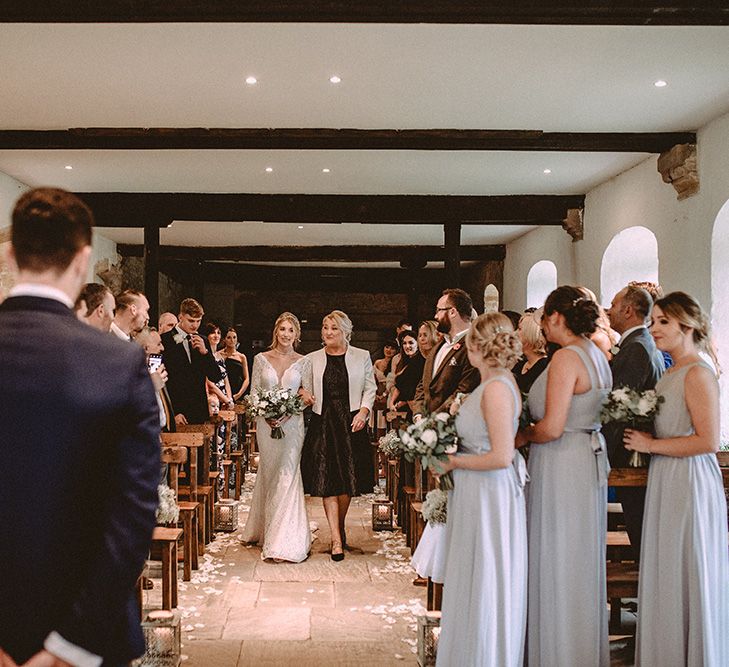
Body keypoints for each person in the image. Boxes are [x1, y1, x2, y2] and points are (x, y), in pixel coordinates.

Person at [0, 188, 160, 667]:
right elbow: (133, 515)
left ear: (10, 255)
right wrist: (66, 646)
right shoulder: (119, 362)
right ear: (82, 260)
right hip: (88, 637)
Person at [624, 292, 728, 666]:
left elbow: (706, 440)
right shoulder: (671, 370)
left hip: (689, 482)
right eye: (653, 321)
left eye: (662, 322)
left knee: (686, 567)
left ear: (688, 326)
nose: (653, 328)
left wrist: (651, 444)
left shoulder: (698, 372)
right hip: (667, 477)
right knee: (666, 570)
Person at [518, 285, 612, 667]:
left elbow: (552, 427)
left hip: (560, 460)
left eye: (543, 318)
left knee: (556, 552)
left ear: (557, 318)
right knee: (578, 555)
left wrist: (519, 434)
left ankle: (557, 651)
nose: (541, 326)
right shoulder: (599, 355)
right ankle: (579, 646)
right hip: (585, 459)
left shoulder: (566, 359)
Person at [434, 313, 527, 666]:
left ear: (476, 347)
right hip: (477, 492)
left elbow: (502, 456)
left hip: (490, 494)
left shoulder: (499, 388)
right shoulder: (491, 385)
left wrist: (455, 462)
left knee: (486, 577)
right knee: (473, 575)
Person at [301, 310, 376, 561]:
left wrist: (364, 413)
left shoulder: (362, 356)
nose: (328, 332)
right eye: (325, 327)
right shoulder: (312, 358)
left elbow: (370, 387)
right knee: (327, 480)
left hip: (351, 420)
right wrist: (305, 394)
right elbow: (304, 387)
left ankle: (339, 526)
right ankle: (335, 538)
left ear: (345, 331)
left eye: (333, 328)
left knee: (347, 480)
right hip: (323, 420)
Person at [241, 312, 313, 563]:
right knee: (270, 473)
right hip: (266, 425)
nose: (285, 334)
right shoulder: (261, 359)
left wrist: (289, 412)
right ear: (276, 331)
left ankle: (283, 540)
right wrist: (265, 412)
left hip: (293, 426)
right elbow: (254, 394)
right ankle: (263, 527)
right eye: (282, 329)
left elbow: (308, 396)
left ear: (297, 335)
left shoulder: (304, 362)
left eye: (290, 330)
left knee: (288, 474)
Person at [604, 284, 665, 560]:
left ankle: (649, 597)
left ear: (628, 310)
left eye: (614, 305)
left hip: (633, 455)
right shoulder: (637, 344)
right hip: (634, 452)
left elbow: (619, 409)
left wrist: (601, 453)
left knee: (641, 534)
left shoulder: (637, 348)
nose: (608, 310)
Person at [412, 288, 479, 418]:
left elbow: (463, 391)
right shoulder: (440, 345)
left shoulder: (473, 346)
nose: (436, 316)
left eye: (439, 310)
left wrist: (432, 420)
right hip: (427, 426)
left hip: (451, 426)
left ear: (452, 312)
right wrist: (418, 414)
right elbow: (424, 384)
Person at [161, 298, 222, 428]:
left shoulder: (203, 341)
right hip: (176, 411)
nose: (195, 325)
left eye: (198, 321)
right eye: (191, 321)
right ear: (180, 317)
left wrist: (205, 353)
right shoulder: (165, 340)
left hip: (199, 411)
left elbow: (216, 376)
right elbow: (164, 383)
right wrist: (173, 412)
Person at [135, 326, 176, 433]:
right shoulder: (136, 373)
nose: (162, 348)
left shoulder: (157, 370)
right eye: (158, 344)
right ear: (145, 348)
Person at [388, 329, 425, 420]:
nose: (407, 346)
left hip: (418, 408)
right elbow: (401, 383)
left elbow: (412, 387)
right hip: (407, 409)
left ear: (418, 343)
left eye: (411, 343)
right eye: (404, 343)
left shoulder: (420, 361)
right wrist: (392, 403)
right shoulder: (406, 361)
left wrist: (402, 402)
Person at [512, 309, 549, 393]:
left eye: (520, 329)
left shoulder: (544, 367)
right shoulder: (520, 365)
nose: (515, 333)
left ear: (530, 334)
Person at [221, 327, 250, 402]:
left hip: (237, 392)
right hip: (222, 392)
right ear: (224, 339)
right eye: (229, 337)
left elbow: (246, 379)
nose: (232, 340)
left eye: (234, 337)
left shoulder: (241, 357)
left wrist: (239, 394)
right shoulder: (219, 354)